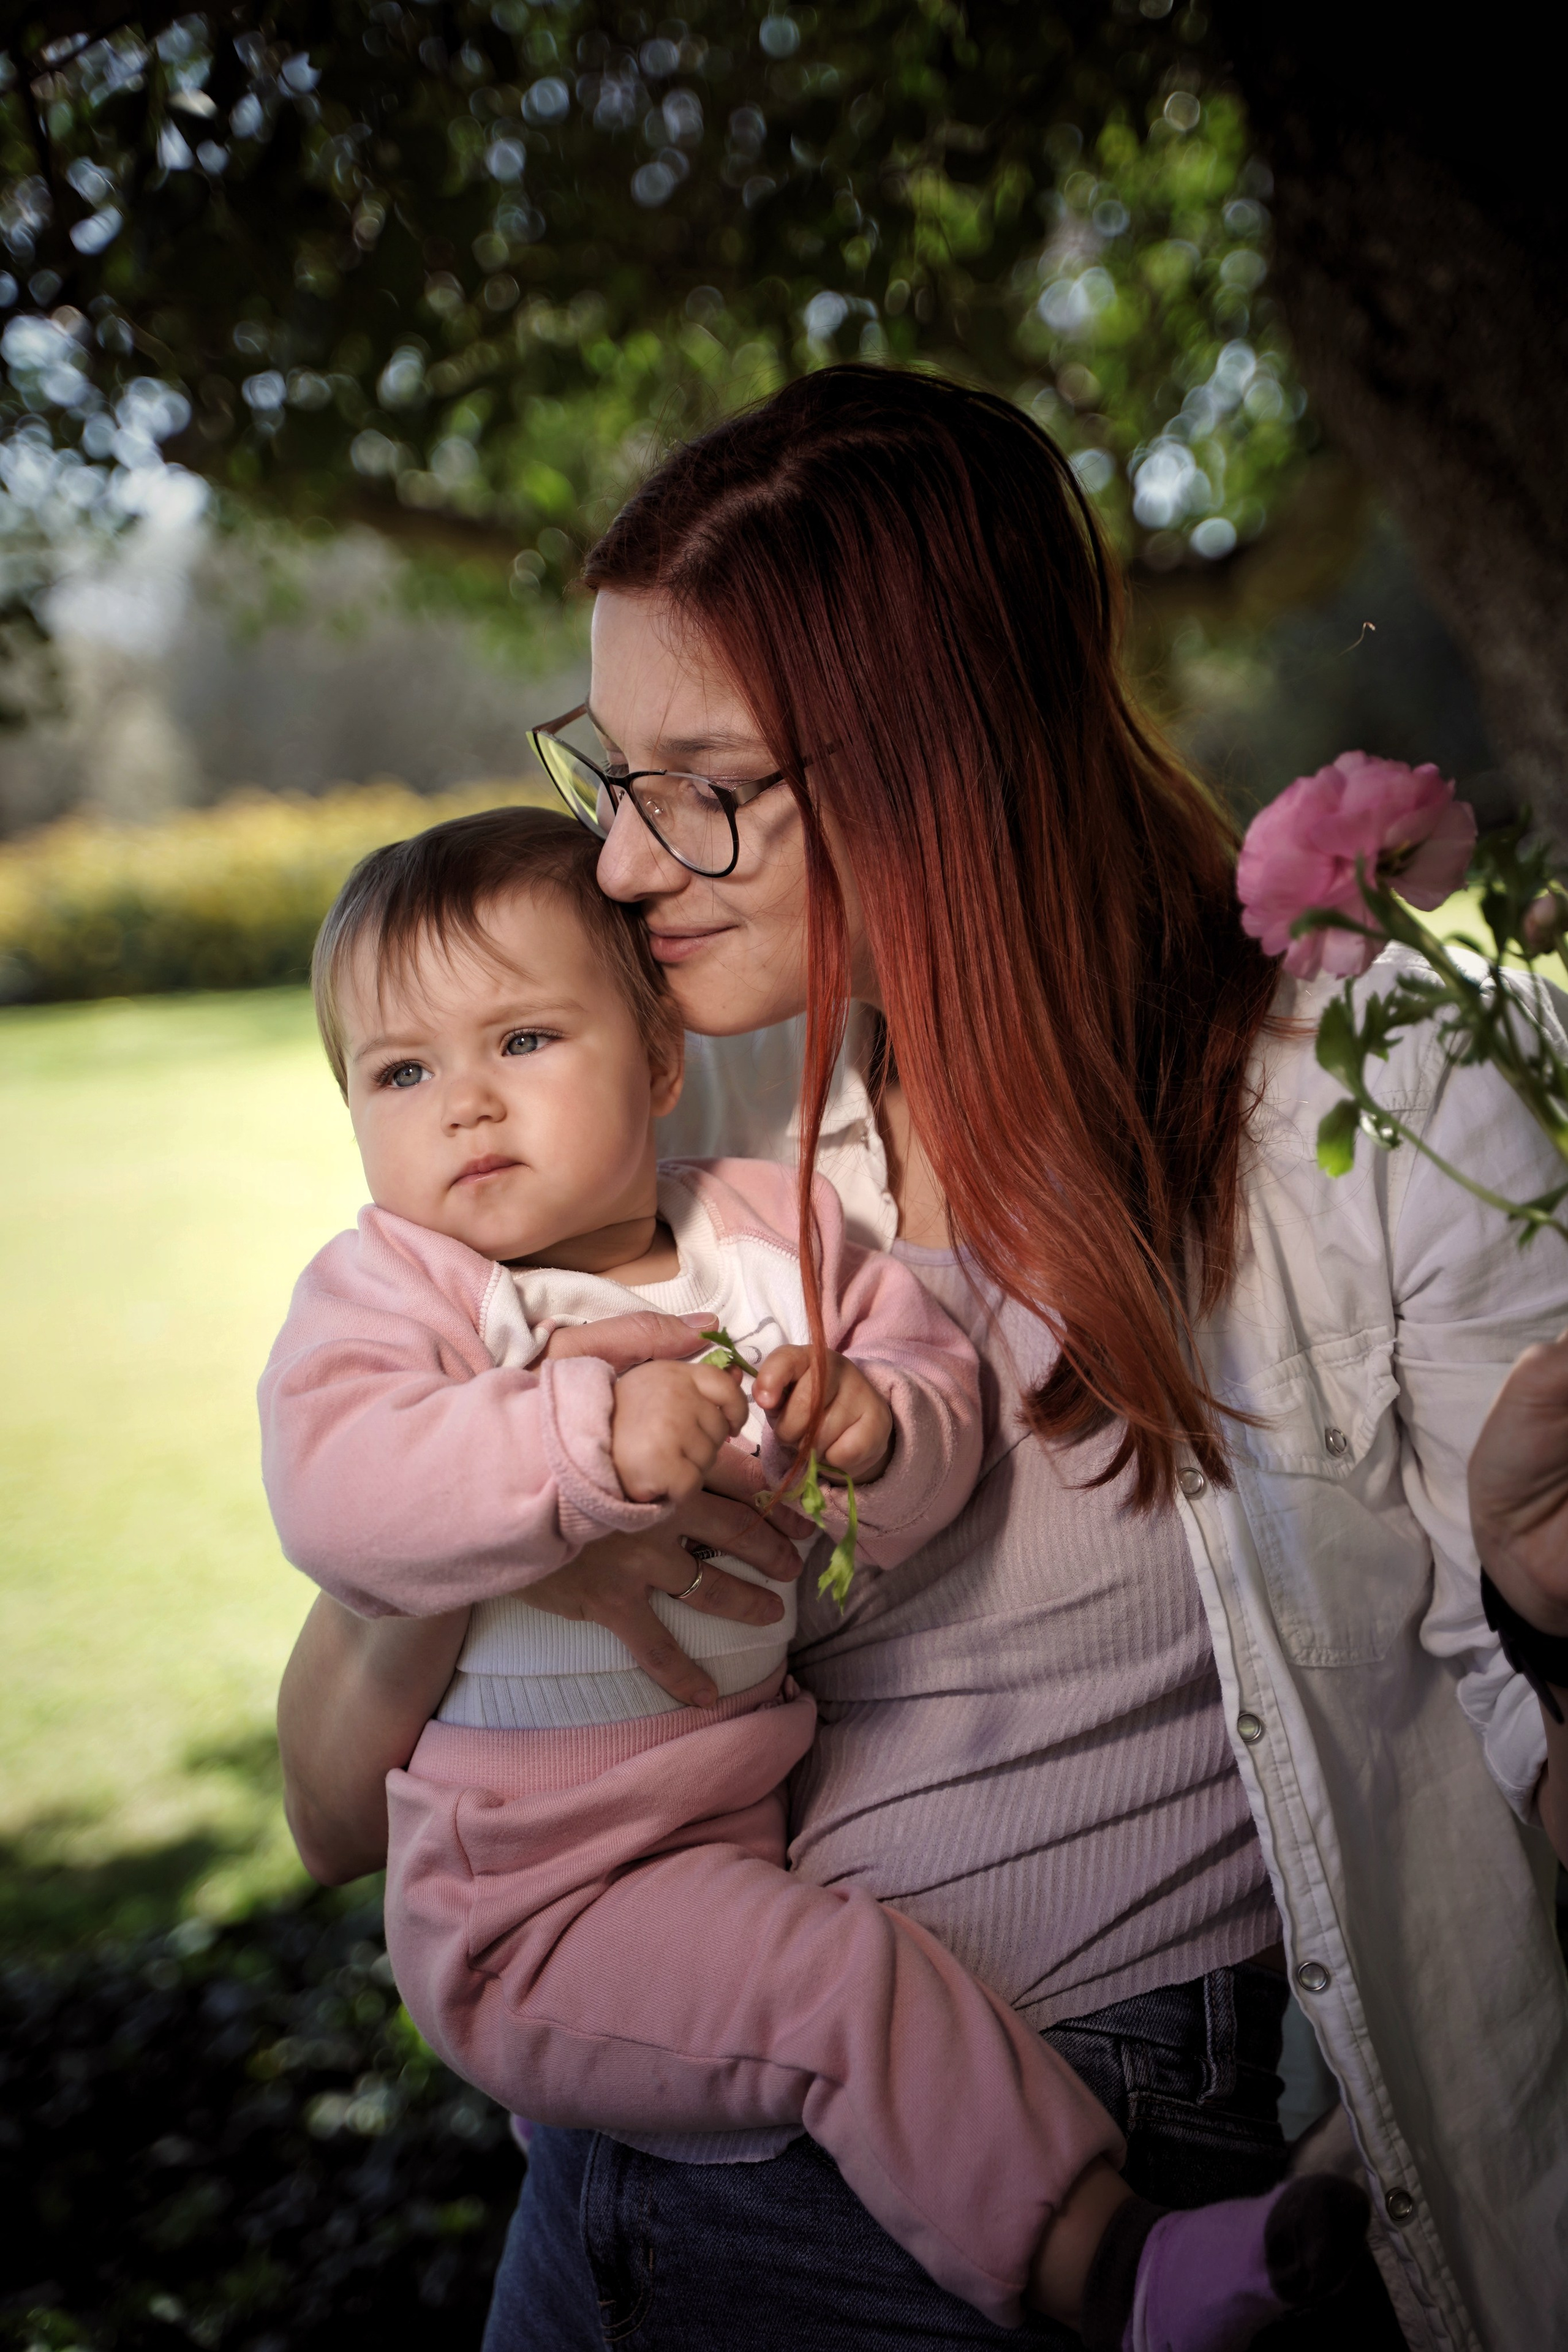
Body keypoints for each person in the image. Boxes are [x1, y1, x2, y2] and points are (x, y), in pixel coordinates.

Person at [276, 366, 1568, 2352]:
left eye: (700, 785)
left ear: (934, 760)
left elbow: (1527, 1764)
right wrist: (515, 1543)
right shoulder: (724, 1132)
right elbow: (334, 1807)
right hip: (629, 2136)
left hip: (1043, 2155)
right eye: (608, 773)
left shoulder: (1363, 1102)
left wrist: (1553, 1622)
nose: (618, 866)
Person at [262, 803, 1371, 2352]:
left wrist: (873, 1430)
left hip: (723, 1834)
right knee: (840, 1989)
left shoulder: (760, 1224)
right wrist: (583, 1444)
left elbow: (927, 1395)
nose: (465, 1106)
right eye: (399, 1073)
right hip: (529, 1888)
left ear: (658, 1065)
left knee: (821, 1985)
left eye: (521, 1041)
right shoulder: (405, 1291)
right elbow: (337, 1494)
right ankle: (1111, 2273)